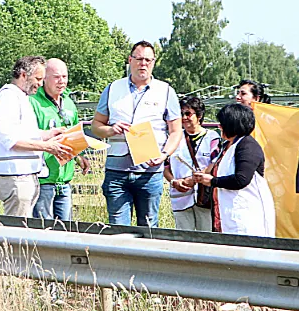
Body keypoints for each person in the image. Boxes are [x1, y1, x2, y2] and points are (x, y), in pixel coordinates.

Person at [91, 41, 183, 227]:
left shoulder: (166, 91)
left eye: (148, 60)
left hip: (150, 172)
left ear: (154, 62)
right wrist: (111, 130)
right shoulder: (112, 89)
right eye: (139, 59)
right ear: (130, 60)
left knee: (149, 228)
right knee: (117, 228)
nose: (143, 64)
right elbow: (96, 126)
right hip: (116, 172)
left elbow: (175, 132)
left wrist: (164, 155)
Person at [0, 56, 72, 217]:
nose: (40, 83)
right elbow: (10, 140)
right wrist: (47, 146)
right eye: (38, 78)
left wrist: (48, 134)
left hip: (23, 175)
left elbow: (21, 134)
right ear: (23, 74)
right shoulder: (8, 98)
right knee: (16, 229)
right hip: (15, 176)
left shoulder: (20, 97)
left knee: (23, 227)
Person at [198, 103, 275, 237]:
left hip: (246, 215)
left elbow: (241, 179)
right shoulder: (229, 145)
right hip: (229, 214)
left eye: (222, 124)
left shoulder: (248, 146)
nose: (219, 126)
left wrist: (213, 181)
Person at [29, 58, 89, 221]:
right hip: (43, 180)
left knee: (66, 232)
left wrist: (79, 157)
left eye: (65, 76)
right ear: (44, 77)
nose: (62, 81)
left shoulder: (69, 103)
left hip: (65, 181)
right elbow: (29, 135)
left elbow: (74, 134)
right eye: (56, 77)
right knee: (43, 231)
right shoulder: (33, 102)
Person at [165, 96, 220, 231]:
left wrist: (195, 179)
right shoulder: (174, 138)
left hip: (204, 197)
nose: (184, 118)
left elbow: (215, 163)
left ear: (199, 116)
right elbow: (165, 166)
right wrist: (174, 182)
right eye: (181, 114)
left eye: (188, 114)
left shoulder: (212, 137)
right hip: (180, 196)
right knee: (184, 238)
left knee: (206, 237)